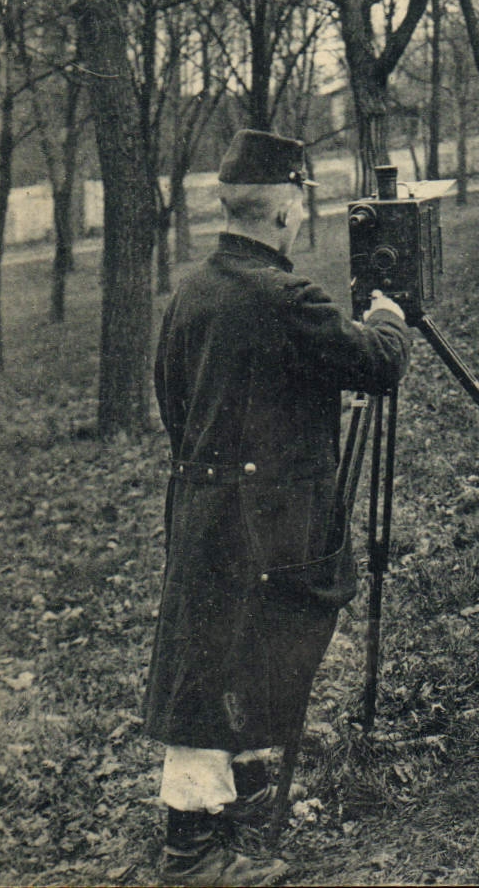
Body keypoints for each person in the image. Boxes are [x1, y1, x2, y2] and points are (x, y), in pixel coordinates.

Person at [145, 130, 411, 886]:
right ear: (286, 208)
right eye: (302, 203)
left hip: (204, 508)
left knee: (215, 659)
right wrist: (389, 314)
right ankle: (192, 855)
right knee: (215, 670)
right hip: (261, 524)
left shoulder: (193, 291)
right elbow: (377, 364)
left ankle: (227, 813)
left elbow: (178, 401)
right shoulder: (283, 297)